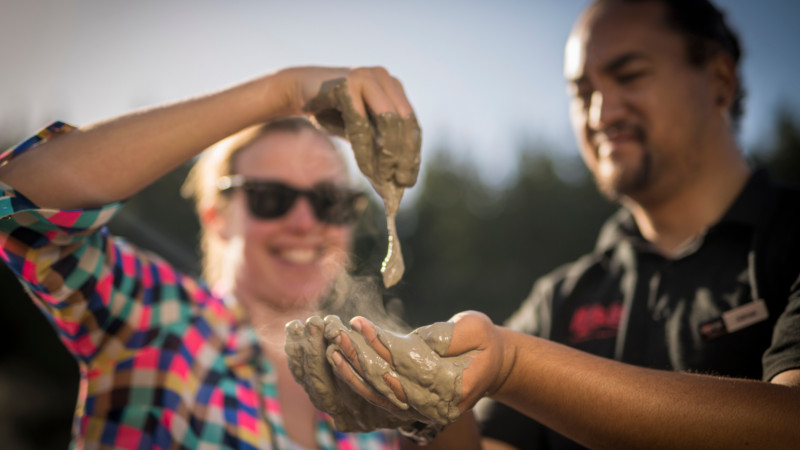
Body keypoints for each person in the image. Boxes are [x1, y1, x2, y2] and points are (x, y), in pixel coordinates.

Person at [294, 1, 800, 448]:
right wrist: (421, 400)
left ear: (720, 80)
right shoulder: (562, 298)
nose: (600, 112)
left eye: (630, 76)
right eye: (582, 92)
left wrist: (512, 363)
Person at [0, 67, 477, 449]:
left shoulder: (369, 394)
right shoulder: (157, 319)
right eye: (272, 197)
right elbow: (18, 205)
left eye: (329, 201)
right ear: (216, 215)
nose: (306, 223)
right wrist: (284, 90)